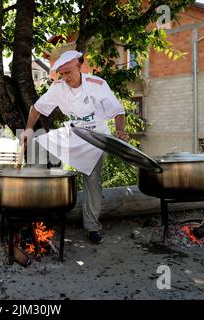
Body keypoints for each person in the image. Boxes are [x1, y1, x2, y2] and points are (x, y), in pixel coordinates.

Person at [20, 50, 128, 244]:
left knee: (92, 179)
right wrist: (28, 129)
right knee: (38, 144)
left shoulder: (98, 85)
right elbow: (36, 108)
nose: (66, 77)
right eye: (62, 73)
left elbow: (118, 111)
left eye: (69, 72)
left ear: (80, 66)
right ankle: (34, 215)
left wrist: (120, 130)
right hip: (74, 132)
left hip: (97, 135)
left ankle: (92, 227)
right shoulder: (58, 87)